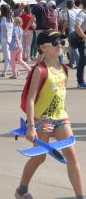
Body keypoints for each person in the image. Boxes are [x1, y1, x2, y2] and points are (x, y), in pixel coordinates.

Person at [15, 29, 85, 199]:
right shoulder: (40, 70)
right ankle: (22, 190)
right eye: (55, 43)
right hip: (43, 120)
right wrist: (31, 127)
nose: (60, 45)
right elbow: (31, 99)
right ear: (42, 48)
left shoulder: (64, 68)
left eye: (62, 42)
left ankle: (80, 196)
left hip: (61, 118)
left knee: (71, 156)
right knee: (39, 157)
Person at [64, 0, 81, 68]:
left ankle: (79, 64)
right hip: (79, 31)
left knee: (74, 48)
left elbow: (66, 22)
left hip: (72, 31)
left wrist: (62, 30)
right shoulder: (78, 10)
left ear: (66, 5)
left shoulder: (67, 12)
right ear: (73, 4)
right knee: (74, 47)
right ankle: (71, 63)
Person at [74, 0, 86, 89]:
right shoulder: (82, 14)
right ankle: (80, 82)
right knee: (83, 60)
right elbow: (77, 27)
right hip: (83, 40)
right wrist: (84, 37)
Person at [0, 4, 13, 77]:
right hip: (10, 38)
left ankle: (5, 71)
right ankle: (14, 70)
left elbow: (5, 29)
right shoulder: (11, 18)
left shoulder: (3, 18)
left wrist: (7, 38)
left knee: (6, 56)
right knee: (9, 55)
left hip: (5, 38)